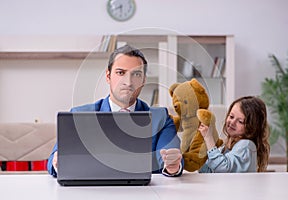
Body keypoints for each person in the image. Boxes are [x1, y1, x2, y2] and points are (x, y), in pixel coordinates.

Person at [47, 45, 183, 177]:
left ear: (143, 80)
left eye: (136, 74)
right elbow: (52, 162)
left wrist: (172, 165)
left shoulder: (161, 118)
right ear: (108, 76)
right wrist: (58, 162)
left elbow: (171, 156)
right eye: (120, 73)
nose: (128, 82)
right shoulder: (77, 116)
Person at [199, 96, 270, 173]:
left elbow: (223, 168)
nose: (232, 122)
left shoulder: (246, 145)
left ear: (252, 127)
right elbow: (208, 171)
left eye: (240, 121)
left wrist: (209, 139)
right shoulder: (225, 147)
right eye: (231, 116)